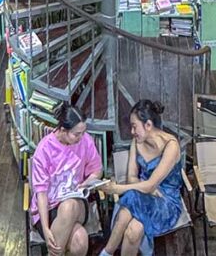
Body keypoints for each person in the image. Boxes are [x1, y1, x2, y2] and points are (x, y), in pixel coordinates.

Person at [99, 100, 183, 256]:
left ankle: (106, 252)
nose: (132, 131)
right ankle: (107, 253)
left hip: (166, 202)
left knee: (131, 195)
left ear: (148, 125)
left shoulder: (171, 145)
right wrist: (148, 189)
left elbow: (150, 185)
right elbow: (132, 177)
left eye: (134, 126)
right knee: (133, 230)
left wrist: (118, 189)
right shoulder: (136, 143)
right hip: (143, 196)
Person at [30, 104, 102, 256]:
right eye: (76, 134)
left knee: (69, 206)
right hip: (48, 209)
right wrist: (46, 229)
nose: (81, 138)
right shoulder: (44, 149)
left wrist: (87, 182)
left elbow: (97, 170)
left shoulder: (85, 141)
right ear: (62, 130)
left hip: (76, 202)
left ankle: (52, 254)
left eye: (83, 133)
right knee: (80, 240)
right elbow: (41, 194)